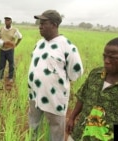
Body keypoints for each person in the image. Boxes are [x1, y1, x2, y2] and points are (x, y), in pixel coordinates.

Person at [27, 10, 84, 141]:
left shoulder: (67, 46)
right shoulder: (39, 43)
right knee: (33, 125)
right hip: (34, 95)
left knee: (56, 129)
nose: (39, 26)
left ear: (54, 24)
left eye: (43, 23)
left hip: (54, 98)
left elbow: (75, 72)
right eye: (39, 23)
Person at [66, 36, 118, 141]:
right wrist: (72, 118)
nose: (106, 61)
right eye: (105, 56)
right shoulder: (95, 74)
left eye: (113, 58)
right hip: (79, 134)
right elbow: (82, 97)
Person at [0, 16, 22, 89]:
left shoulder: (15, 30)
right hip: (2, 49)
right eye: (5, 20)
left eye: (8, 20)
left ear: (11, 21)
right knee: (1, 64)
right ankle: (0, 78)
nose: (6, 22)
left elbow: (20, 37)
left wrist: (16, 45)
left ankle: (10, 77)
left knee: (11, 64)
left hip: (10, 50)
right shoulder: (1, 28)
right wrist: (0, 42)